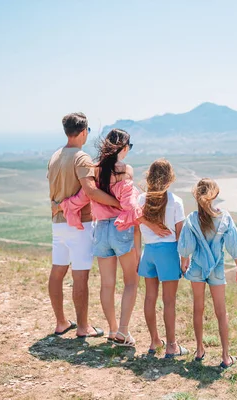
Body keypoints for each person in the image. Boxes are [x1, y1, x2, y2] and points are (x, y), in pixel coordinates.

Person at [56, 129, 158, 347]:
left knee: (107, 284)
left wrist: (64, 205)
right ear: (124, 147)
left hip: (100, 229)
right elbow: (129, 205)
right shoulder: (125, 170)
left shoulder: (96, 170)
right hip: (121, 229)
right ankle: (123, 331)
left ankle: (112, 330)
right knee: (131, 281)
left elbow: (84, 196)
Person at [47, 112, 119, 338]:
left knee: (57, 271)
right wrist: (118, 204)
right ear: (84, 131)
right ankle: (82, 327)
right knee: (80, 276)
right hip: (80, 224)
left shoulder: (55, 156)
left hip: (58, 222)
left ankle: (61, 322)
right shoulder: (82, 158)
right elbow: (90, 191)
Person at [178, 178, 237, 368]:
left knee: (198, 309)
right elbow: (233, 245)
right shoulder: (224, 217)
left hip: (197, 267)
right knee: (221, 312)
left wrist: (184, 261)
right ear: (214, 195)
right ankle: (225, 356)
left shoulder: (191, 219)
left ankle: (199, 350)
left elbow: (186, 247)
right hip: (216, 268)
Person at [137, 159, 189, 358]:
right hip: (168, 253)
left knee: (150, 298)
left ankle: (153, 341)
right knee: (169, 301)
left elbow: (135, 219)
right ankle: (171, 346)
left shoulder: (141, 199)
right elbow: (180, 235)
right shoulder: (176, 201)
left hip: (148, 252)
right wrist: (184, 259)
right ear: (170, 178)